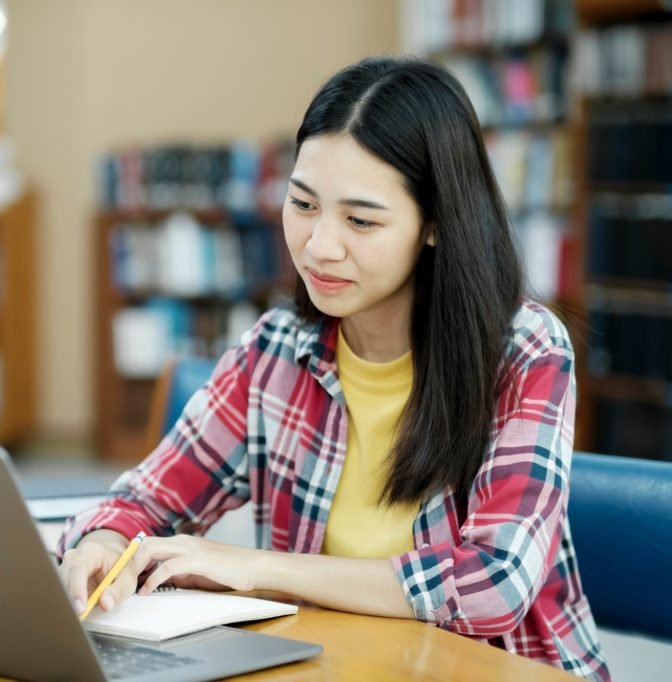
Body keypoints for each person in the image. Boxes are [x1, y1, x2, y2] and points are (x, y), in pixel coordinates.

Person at [58, 56, 609, 681]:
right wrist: (102, 544)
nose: (320, 246)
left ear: (434, 223)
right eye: (303, 203)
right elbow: (146, 500)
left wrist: (260, 568)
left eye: (361, 220)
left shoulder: (525, 350)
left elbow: (494, 586)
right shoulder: (276, 351)